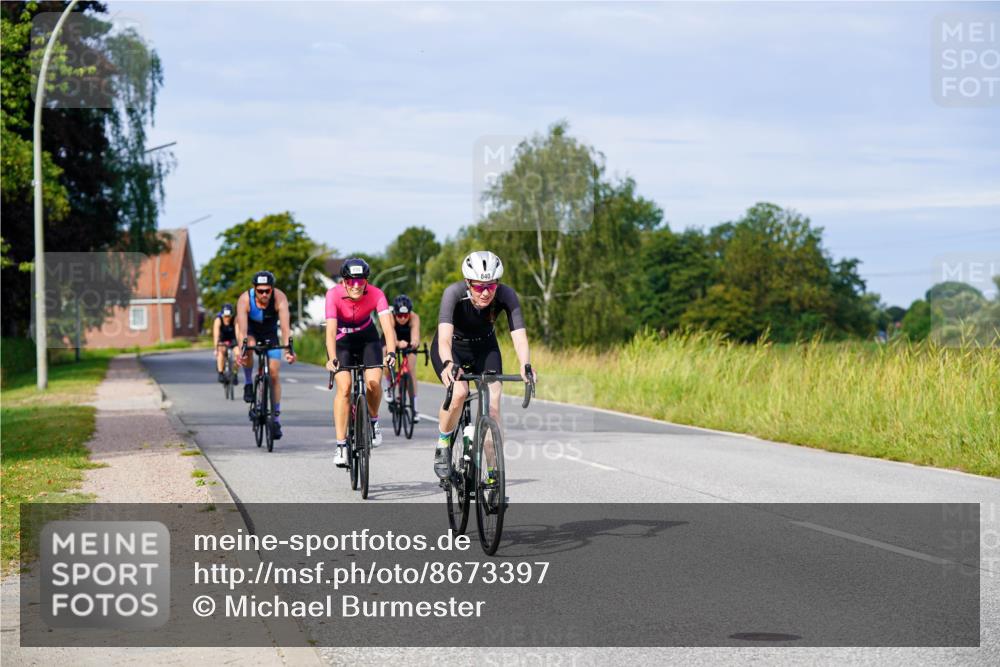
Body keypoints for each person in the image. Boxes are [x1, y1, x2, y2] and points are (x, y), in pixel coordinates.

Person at [431, 250, 534, 480]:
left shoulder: (506, 295)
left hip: (485, 347)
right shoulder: (453, 294)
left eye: (491, 285)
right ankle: (443, 443)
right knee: (459, 392)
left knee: (493, 407)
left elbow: (519, 336)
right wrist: (448, 364)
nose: (486, 292)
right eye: (478, 286)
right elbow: (444, 339)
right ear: (468, 283)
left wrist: (525, 364)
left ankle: (492, 473)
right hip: (452, 347)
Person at [324, 258, 397, 467]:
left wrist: (391, 352)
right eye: (351, 281)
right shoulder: (333, 295)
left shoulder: (376, 294)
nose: (356, 286)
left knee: (374, 383)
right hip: (341, 342)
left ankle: (373, 421)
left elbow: (387, 328)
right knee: (345, 387)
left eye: (361, 281)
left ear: (366, 281)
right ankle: (340, 446)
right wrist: (332, 358)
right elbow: (330, 331)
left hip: (368, 338)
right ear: (344, 281)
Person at [235, 271, 296, 440]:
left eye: (267, 290)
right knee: (249, 348)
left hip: (270, 334)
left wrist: (289, 350)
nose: (264, 294)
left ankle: (275, 419)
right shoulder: (245, 299)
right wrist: (242, 350)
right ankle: (248, 383)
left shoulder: (279, 298)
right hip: (252, 332)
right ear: (254, 289)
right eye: (260, 291)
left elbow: (285, 328)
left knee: (274, 373)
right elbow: (243, 331)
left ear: (272, 289)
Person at [384, 294, 422, 422]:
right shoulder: (389, 317)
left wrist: (415, 342)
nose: (402, 318)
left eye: (405, 315)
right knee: (385, 354)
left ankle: (415, 408)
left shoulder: (414, 317)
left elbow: (415, 335)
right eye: (399, 315)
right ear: (394, 313)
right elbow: (392, 337)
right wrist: (397, 343)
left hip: (407, 339)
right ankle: (389, 385)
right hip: (391, 339)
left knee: (411, 371)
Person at [212, 303, 237, 383]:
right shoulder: (218, 320)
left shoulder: (235, 319)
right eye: (225, 316)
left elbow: (238, 333)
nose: (227, 318)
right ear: (222, 315)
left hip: (233, 338)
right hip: (222, 339)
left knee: (238, 354)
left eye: (228, 316)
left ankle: (235, 374)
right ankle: (220, 373)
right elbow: (216, 335)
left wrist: (241, 345)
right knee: (221, 352)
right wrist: (216, 348)